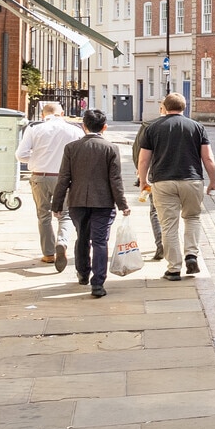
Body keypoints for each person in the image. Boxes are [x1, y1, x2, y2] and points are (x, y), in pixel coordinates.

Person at [137, 93, 215, 281]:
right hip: (192, 180)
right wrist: (213, 181)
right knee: (193, 218)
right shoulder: (197, 127)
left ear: (164, 107)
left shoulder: (152, 127)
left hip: (162, 181)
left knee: (169, 225)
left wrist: (143, 181)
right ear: (184, 107)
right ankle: (191, 255)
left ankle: (173, 268)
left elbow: (143, 159)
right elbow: (208, 158)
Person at [51, 108, 129, 298]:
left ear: (83, 126)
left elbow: (64, 178)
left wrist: (57, 204)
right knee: (100, 242)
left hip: (77, 201)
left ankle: (83, 274)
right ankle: (98, 284)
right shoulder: (111, 148)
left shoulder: (71, 148)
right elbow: (115, 181)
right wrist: (123, 204)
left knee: (82, 238)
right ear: (105, 127)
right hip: (103, 203)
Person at [16, 103, 84, 270]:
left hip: (40, 176)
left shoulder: (35, 129)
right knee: (66, 214)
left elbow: (20, 155)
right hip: (65, 178)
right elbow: (81, 154)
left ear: (42, 114)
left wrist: (36, 159)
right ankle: (62, 242)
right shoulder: (75, 130)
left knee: (43, 215)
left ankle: (48, 254)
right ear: (62, 113)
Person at [130, 111, 167, 260]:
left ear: (162, 108)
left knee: (155, 212)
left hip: (155, 175)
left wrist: (141, 175)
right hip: (182, 176)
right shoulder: (189, 125)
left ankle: (161, 245)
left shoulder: (148, 126)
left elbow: (137, 152)